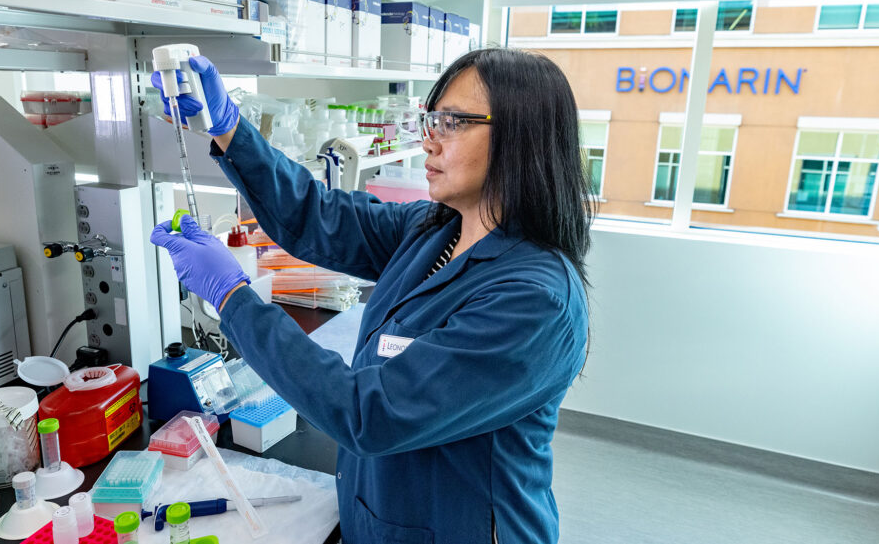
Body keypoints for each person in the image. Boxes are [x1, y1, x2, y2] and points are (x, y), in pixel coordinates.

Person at [150, 47, 593, 544]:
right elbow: (316, 214)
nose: (429, 141)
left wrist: (233, 298)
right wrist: (228, 127)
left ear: (521, 136)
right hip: (383, 513)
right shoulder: (435, 230)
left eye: (450, 122)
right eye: (431, 120)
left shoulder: (534, 301)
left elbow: (369, 414)